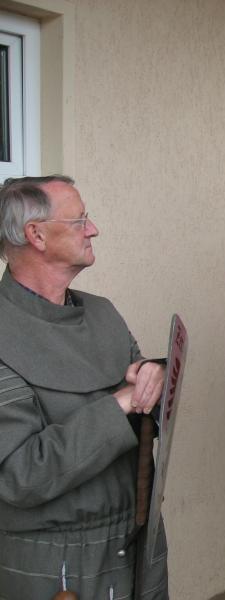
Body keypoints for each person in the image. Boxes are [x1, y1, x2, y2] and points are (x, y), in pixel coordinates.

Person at [0, 176, 168, 598]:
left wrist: (156, 377)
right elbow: (21, 474)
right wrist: (120, 405)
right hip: (52, 564)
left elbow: (145, 406)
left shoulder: (102, 312)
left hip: (137, 539)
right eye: (79, 221)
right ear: (36, 235)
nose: (93, 229)